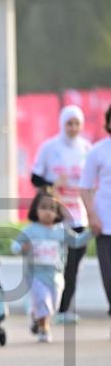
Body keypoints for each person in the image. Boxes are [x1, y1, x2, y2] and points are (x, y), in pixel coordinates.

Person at [31, 105, 92, 323]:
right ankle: (41, 308)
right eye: (69, 123)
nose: (73, 128)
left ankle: (64, 310)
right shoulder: (49, 148)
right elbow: (35, 177)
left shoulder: (87, 148)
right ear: (62, 124)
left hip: (78, 214)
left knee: (73, 264)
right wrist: (53, 183)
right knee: (50, 262)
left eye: (77, 124)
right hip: (54, 216)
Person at [11, 189, 92, 343]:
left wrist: (92, 232)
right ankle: (44, 329)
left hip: (55, 276)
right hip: (35, 275)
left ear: (58, 212)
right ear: (35, 210)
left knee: (52, 305)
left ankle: (36, 317)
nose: (48, 212)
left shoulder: (61, 230)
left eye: (52, 208)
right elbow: (15, 246)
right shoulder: (30, 230)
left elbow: (76, 241)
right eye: (43, 207)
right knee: (43, 300)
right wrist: (21, 248)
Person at [80, 104, 111, 320]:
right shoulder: (98, 150)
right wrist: (91, 215)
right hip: (105, 221)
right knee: (109, 276)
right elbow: (85, 187)